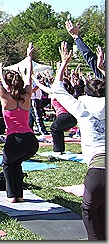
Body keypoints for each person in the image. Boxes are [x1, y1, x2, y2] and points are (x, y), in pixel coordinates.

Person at [51, 41, 105, 240]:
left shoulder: (82, 108)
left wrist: (64, 64)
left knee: (91, 213)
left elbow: (57, 89)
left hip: (98, 171)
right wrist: (103, 69)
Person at [0, 40, 38, 203]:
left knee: (7, 164)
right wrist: (28, 57)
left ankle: (12, 196)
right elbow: (29, 77)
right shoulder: (26, 95)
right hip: (31, 141)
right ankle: (19, 195)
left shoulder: (5, 97)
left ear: (8, 84)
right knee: (15, 163)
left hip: (15, 140)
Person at [33, 74, 77, 154]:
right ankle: (60, 150)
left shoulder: (57, 92)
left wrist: (33, 78)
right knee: (58, 130)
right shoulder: (66, 93)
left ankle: (58, 150)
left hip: (65, 115)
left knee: (54, 128)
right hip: (72, 117)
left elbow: (43, 87)